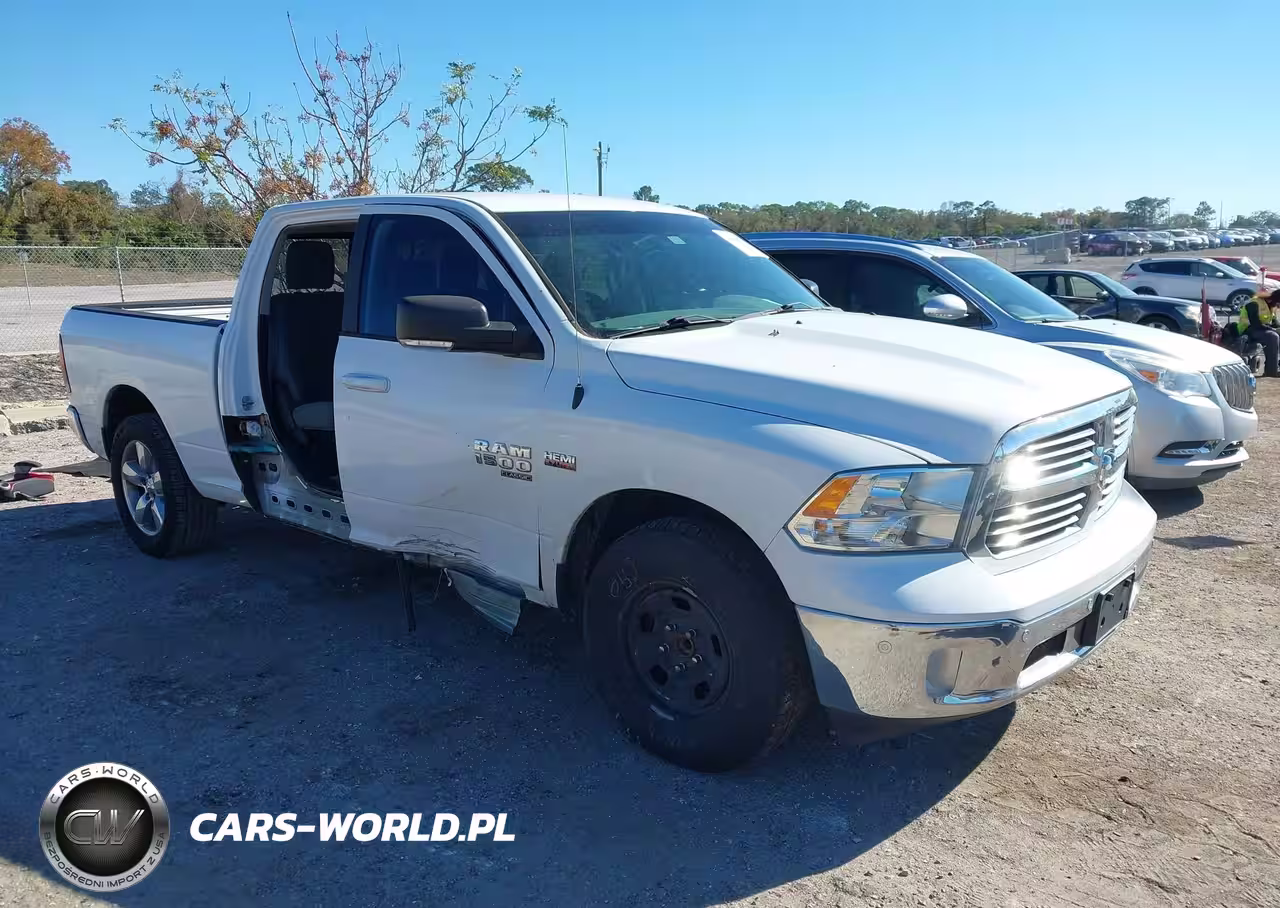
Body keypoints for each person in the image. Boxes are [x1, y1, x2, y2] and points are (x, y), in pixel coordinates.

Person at [1238, 289, 1280, 377]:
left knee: (1274, 334)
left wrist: (1277, 328)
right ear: (1275, 300)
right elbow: (1255, 324)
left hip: (1262, 330)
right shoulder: (1254, 303)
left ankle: (1277, 366)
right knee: (1272, 336)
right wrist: (1274, 330)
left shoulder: (1271, 306)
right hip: (1247, 330)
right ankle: (1271, 371)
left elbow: (1275, 323)